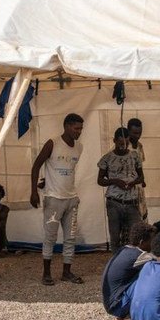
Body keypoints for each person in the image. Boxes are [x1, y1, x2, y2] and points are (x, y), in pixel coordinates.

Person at [30, 113, 84, 286]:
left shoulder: (79, 147)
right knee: (50, 237)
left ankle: (66, 272)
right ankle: (46, 273)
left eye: (81, 128)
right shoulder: (52, 143)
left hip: (71, 198)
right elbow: (37, 165)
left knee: (70, 237)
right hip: (53, 198)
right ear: (66, 126)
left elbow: (66, 169)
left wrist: (49, 178)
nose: (79, 132)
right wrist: (33, 191)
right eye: (76, 128)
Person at [101, 222, 157, 320]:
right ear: (141, 242)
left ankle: (126, 313)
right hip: (117, 305)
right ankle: (130, 316)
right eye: (151, 241)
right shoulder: (138, 256)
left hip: (112, 302)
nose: (153, 244)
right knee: (153, 276)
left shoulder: (125, 249)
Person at [97, 127, 144, 252]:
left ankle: (131, 259)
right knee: (115, 236)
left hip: (131, 201)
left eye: (126, 143)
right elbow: (100, 180)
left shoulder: (134, 156)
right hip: (114, 202)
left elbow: (141, 177)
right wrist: (115, 181)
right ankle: (116, 260)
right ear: (114, 141)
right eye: (121, 143)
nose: (124, 146)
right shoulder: (107, 158)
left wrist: (133, 182)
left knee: (135, 233)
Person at [126, 118, 148, 221]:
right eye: (134, 133)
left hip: (139, 189)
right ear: (128, 131)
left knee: (142, 217)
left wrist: (142, 181)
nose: (137, 136)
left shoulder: (140, 146)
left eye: (139, 133)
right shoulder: (123, 148)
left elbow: (140, 167)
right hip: (128, 191)